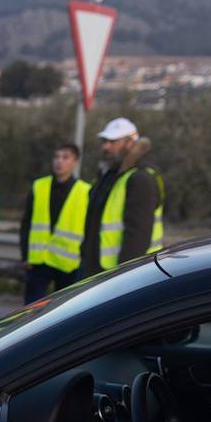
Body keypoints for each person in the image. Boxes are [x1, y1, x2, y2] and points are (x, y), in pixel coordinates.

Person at [80, 117, 164, 279]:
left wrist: (124, 276)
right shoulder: (109, 176)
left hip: (122, 276)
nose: (106, 146)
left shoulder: (141, 179)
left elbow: (137, 235)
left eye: (113, 141)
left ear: (131, 143)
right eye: (104, 141)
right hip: (97, 270)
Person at [20, 143, 92, 303]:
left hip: (69, 264)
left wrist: (83, 258)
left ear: (75, 162)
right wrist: (25, 255)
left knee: (64, 311)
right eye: (57, 157)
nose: (59, 161)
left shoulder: (85, 190)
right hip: (38, 261)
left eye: (65, 157)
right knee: (31, 311)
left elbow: (89, 228)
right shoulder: (39, 186)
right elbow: (26, 222)